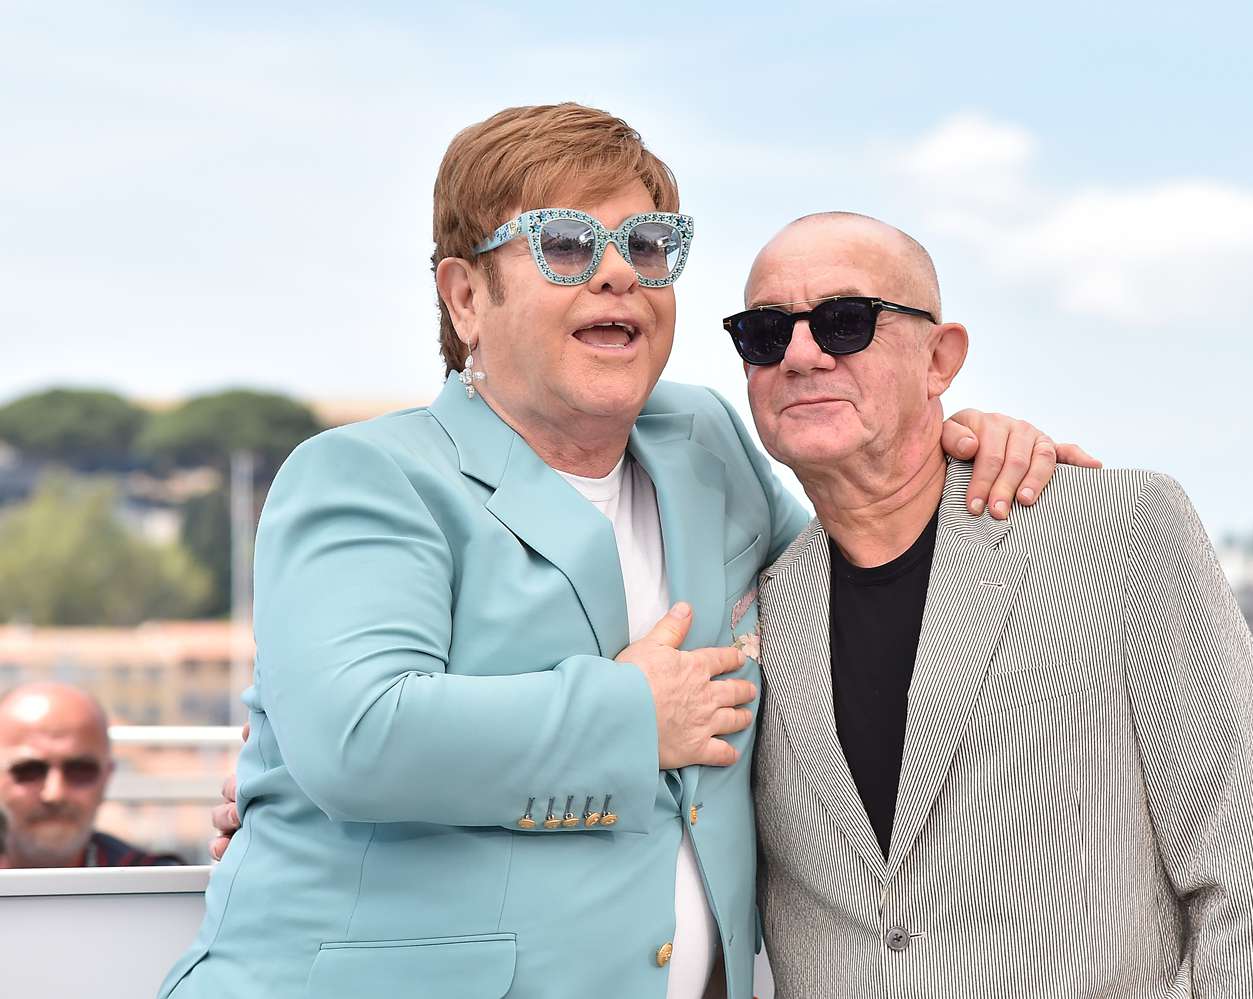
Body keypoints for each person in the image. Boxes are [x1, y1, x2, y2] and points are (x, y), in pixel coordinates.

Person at [167, 103, 1090, 999]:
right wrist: (632, 716)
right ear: (464, 297)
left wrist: (953, 440)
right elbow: (357, 739)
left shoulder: (704, 441)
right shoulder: (363, 475)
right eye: (564, 243)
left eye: (647, 245)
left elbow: (852, 586)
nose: (619, 274)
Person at [738, 213, 1253, 997]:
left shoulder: (1119, 526)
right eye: (766, 332)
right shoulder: (761, 597)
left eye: (845, 321)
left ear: (941, 357)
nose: (801, 355)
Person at [0, 682, 182, 868]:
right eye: (29, 770)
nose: (55, 794)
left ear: (106, 778)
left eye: (80, 770)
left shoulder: (154, 885)